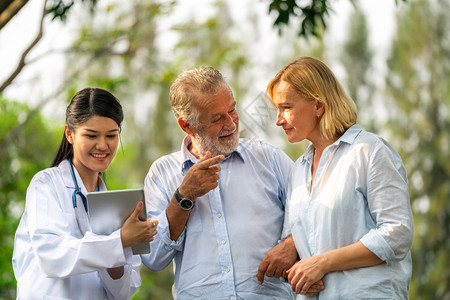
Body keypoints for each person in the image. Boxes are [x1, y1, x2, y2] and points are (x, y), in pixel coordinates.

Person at [140, 66, 324, 299]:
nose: (231, 123)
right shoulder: (161, 173)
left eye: (232, 110)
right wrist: (184, 196)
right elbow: (154, 258)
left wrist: (291, 243)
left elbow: (315, 213)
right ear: (186, 125)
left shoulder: (269, 158)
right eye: (217, 118)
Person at [266, 56, 414, 299]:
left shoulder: (369, 151)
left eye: (287, 107)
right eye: (277, 109)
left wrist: (322, 263)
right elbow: (303, 250)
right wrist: (296, 274)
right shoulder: (298, 170)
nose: (278, 119)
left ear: (318, 106)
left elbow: (397, 233)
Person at [12, 87, 159, 300]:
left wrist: (120, 253)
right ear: (69, 134)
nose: (102, 145)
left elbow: (124, 291)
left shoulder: (120, 205)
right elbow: (51, 255)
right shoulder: (46, 184)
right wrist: (119, 240)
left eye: (111, 135)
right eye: (91, 135)